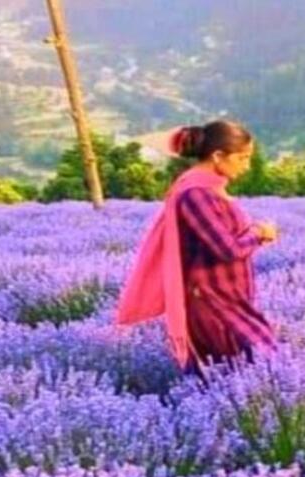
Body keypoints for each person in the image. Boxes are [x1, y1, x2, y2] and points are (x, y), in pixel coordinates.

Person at [117, 120, 278, 375]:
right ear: (217, 156)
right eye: (242, 158)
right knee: (249, 364)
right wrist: (259, 234)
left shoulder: (211, 189)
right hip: (211, 299)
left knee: (243, 367)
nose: (247, 166)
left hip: (228, 296)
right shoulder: (196, 195)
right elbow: (227, 250)